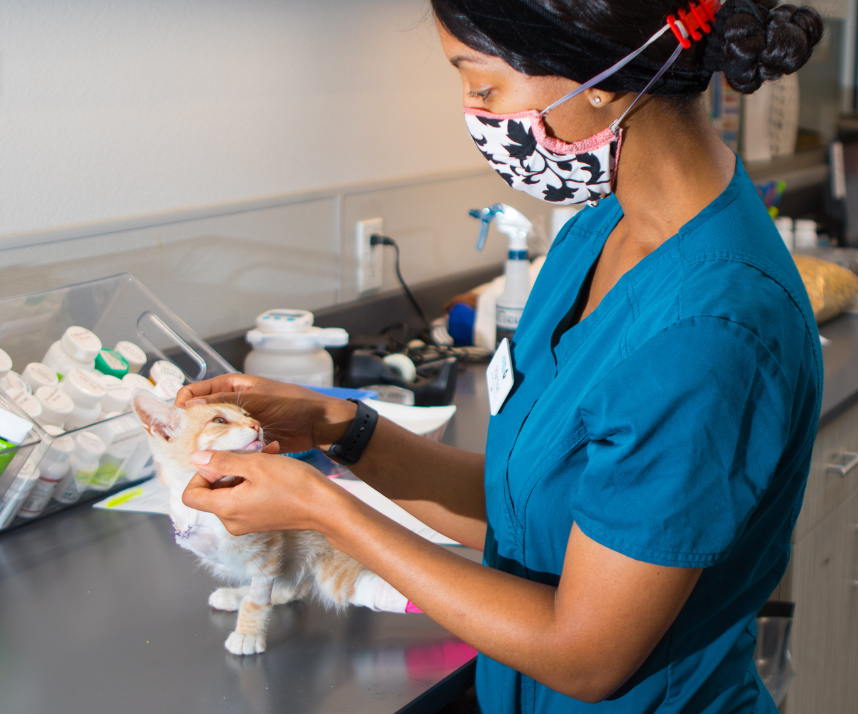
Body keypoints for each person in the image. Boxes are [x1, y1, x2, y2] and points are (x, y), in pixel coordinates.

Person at [176, 1, 824, 711]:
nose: (474, 114)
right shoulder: (602, 232)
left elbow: (584, 657)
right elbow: (529, 513)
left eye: (483, 88)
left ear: (596, 77)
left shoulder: (709, 333)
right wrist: (344, 430)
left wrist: (323, 509)